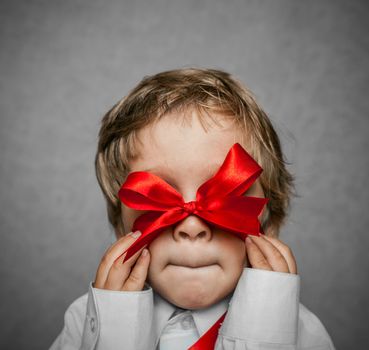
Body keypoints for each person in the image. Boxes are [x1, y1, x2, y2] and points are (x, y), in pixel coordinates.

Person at [49, 68, 336, 350]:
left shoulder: (301, 332)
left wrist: (265, 334)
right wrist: (114, 334)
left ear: (269, 218)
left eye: (228, 192)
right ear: (120, 224)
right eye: (158, 194)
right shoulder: (86, 323)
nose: (192, 226)